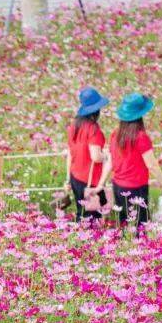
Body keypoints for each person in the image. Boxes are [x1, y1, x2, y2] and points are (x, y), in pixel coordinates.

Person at [98, 93, 162, 234]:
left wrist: (102, 183)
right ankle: (138, 253)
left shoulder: (116, 134)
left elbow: (111, 161)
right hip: (136, 188)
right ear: (140, 115)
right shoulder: (141, 137)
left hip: (118, 186)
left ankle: (122, 251)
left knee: (122, 223)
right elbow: (152, 165)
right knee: (140, 226)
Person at [65, 86, 110, 222]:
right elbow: (95, 157)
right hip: (89, 181)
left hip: (75, 177)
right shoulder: (93, 129)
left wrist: (67, 179)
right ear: (96, 110)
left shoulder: (74, 126)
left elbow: (70, 154)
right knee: (91, 217)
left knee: (81, 213)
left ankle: (80, 240)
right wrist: (106, 156)